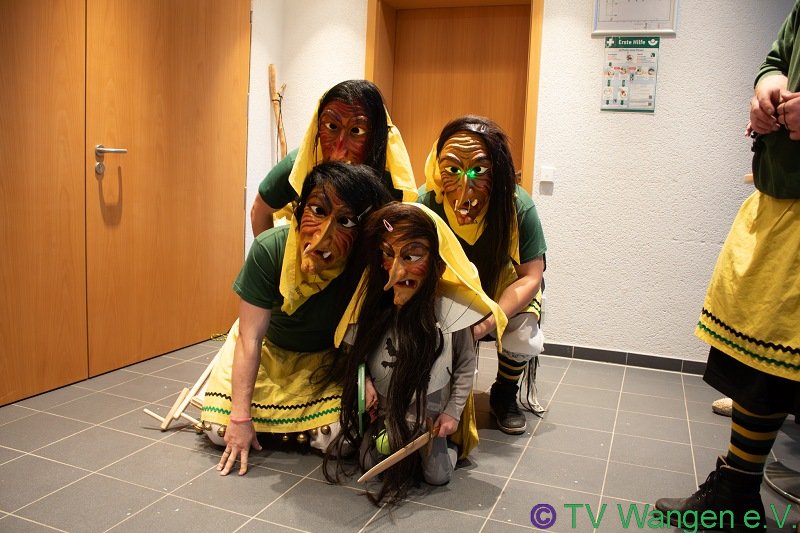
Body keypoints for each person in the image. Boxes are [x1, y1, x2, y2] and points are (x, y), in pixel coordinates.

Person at [655, 3, 800, 530]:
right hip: (779, 206)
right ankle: (737, 494)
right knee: (761, 368)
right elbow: (776, 58)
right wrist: (768, 89)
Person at [200, 161, 393, 476]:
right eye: (317, 211)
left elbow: (366, 329)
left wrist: (364, 376)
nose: (323, 234)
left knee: (339, 439)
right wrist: (240, 417)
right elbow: (250, 338)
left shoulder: (363, 263)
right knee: (219, 431)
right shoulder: (269, 250)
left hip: (326, 360)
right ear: (299, 209)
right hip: (268, 352)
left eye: (345, 221)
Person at [324, 202, 506, 504]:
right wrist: (365, 383)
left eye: (411, 256)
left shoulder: (451, 313)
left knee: (437, 475)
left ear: (438, 264)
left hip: (428, 421)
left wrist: (451, 413)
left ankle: (445, 449)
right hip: (386, 414)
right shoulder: (374, 308)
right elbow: (356, 356)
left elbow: (464, 366)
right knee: (369, 461)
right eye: (388, 253)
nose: (396, 271)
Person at [417, 116, 547, 435]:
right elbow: (402, 247)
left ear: (498, 171)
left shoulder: (517, 206)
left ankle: (505, 392)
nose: (465, 186)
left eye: (478, 170)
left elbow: (531, 276)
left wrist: (492, 319)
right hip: (448, 293)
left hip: (500, 291)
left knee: (523, 332)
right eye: (452, 169)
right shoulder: (425, 203)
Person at [250, 79, 418, 236]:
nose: (339, 151)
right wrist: (273, 253)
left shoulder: (392, 180)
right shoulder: (300, 165)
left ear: (376, 136)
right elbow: (259, 210)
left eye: (356, 131)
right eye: (332, 126)